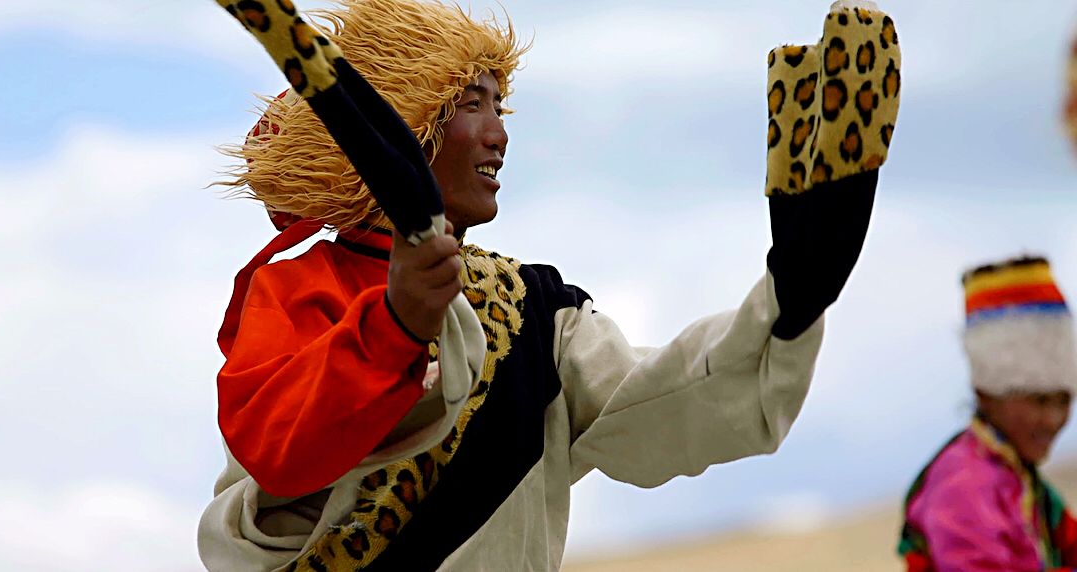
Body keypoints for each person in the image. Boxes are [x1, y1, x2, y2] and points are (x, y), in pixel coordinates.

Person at [198, 0, 902, 569]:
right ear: (406, 123)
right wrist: (395, 325)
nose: (499, 133)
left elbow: (668, 406)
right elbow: (277, 451)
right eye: (472, 103)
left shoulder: (536, 312)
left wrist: (795, 292)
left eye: (500, 107)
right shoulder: (297, 290)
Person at [899, 256, 1077, 571]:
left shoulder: (1022, 478)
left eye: (1064, 401)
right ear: (987, 394)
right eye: (1038, 401)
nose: (1053, 419)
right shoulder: (963, 485)